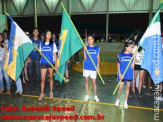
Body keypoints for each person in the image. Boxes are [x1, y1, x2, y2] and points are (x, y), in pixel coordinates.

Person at [115, 42, 136, 109]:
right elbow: (118, 65)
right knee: (120, 88)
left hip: (129, 74)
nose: (132, 48)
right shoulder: (120, 55)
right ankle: (118, 100)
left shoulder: (132, 56)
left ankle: (125, 101)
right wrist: (120, 74)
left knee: (127, 88)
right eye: (131, 47)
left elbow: (132, 66)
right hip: (122, 75)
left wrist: (134, 58)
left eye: (132, 47)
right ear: (126, 48)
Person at [38, 30, 58, 101]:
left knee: (51, 78)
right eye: (48, 34)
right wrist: (40, 53)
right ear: (45, 35)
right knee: (42, 79)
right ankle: (41, 94)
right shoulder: (41, 44)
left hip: (50, 63)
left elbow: (55, 55)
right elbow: (40, 53)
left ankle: (51, 92)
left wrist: (56, 65)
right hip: (43, 62)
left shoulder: (53, 44)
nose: (49, 36)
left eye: (50, 34)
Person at [83, 35, 100, 102]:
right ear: (87, 41)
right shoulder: (86, 48)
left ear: (93, 40)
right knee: (86, 81)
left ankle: (95, 96)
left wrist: (98, 66)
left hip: (93, 67)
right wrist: (84, 51)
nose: (90, 41)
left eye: (91, 39)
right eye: (88, 39)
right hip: (86, 67)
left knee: (94, 82)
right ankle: (87, 95)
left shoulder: (97, 48)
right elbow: (85, 59)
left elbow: (98, 58)